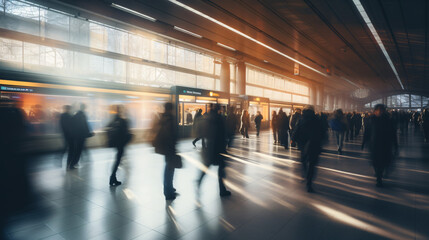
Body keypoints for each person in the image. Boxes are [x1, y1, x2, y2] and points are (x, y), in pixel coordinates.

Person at [197, 104, 231, 197]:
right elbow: (223, 133)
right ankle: (222, 190)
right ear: (218, 109)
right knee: (221, 169)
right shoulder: (219, 118)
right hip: (218, 148)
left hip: (209, 147)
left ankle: (199, 181)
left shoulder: (206, 117)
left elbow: (201, 132)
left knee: (207, 166)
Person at [362, 104, 398, 187]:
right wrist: (364, 142)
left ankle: (379, 174)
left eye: (381, 110)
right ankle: (379, 177)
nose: (379, 112)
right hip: (374, 145)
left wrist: (395, 144)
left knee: (383, 161)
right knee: (376, 162)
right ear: (374, 111)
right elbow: (367, 132)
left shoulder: (389, 120)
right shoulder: (370, 120)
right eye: (377, 110)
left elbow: (393, 133)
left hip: (385, 144)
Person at [291, 105, 325, 192]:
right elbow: (322, 132)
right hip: (314, 145)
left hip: (303, 145)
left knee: (304, 161)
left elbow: (296, 130)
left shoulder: (301, 119)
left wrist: (293, 140)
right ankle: (309, 183)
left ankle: (305, 174)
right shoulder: (317, 120)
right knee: (312, 164)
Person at [153, 103, 179, 200]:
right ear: (171, 109)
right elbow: (171, 135)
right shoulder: (170, 119)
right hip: (169, 148)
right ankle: (168, 193)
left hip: (165, 148)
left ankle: (169, 188)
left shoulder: (162, 118)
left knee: (169, 169)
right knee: (169, 170)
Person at [107, 105, 132, 186]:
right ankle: (112, 178)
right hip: (121, 144)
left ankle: (113, 178)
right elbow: (126, 132)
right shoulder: (122, 120)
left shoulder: (114, 119)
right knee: (117, 161)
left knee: (118, 160)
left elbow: (107, 128)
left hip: (116, 143)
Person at [69, 103, 94, 170]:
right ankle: (73, 164)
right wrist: (88, 133)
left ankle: (73, 163)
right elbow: (84, 125)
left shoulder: (76, 114)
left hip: (77, 135)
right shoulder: (82, 115)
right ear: (84, 107)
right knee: (78, 150)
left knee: (77, 150)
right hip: (81, 135)